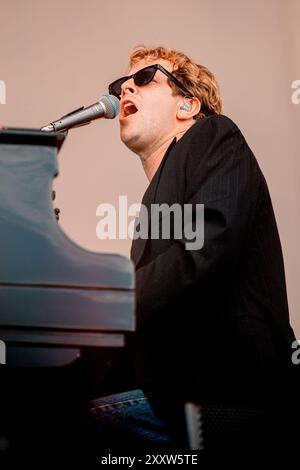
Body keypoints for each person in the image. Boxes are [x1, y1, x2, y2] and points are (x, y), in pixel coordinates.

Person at [78, 46, 298, 455]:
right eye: (120, 83)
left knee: (59, 424)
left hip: (228, 391)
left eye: (145, 78)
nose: (125, 85)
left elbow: (204, 252)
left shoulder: (215, 135)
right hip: (178, 388)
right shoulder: (156, 197)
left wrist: (99, 302)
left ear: (187, 104)